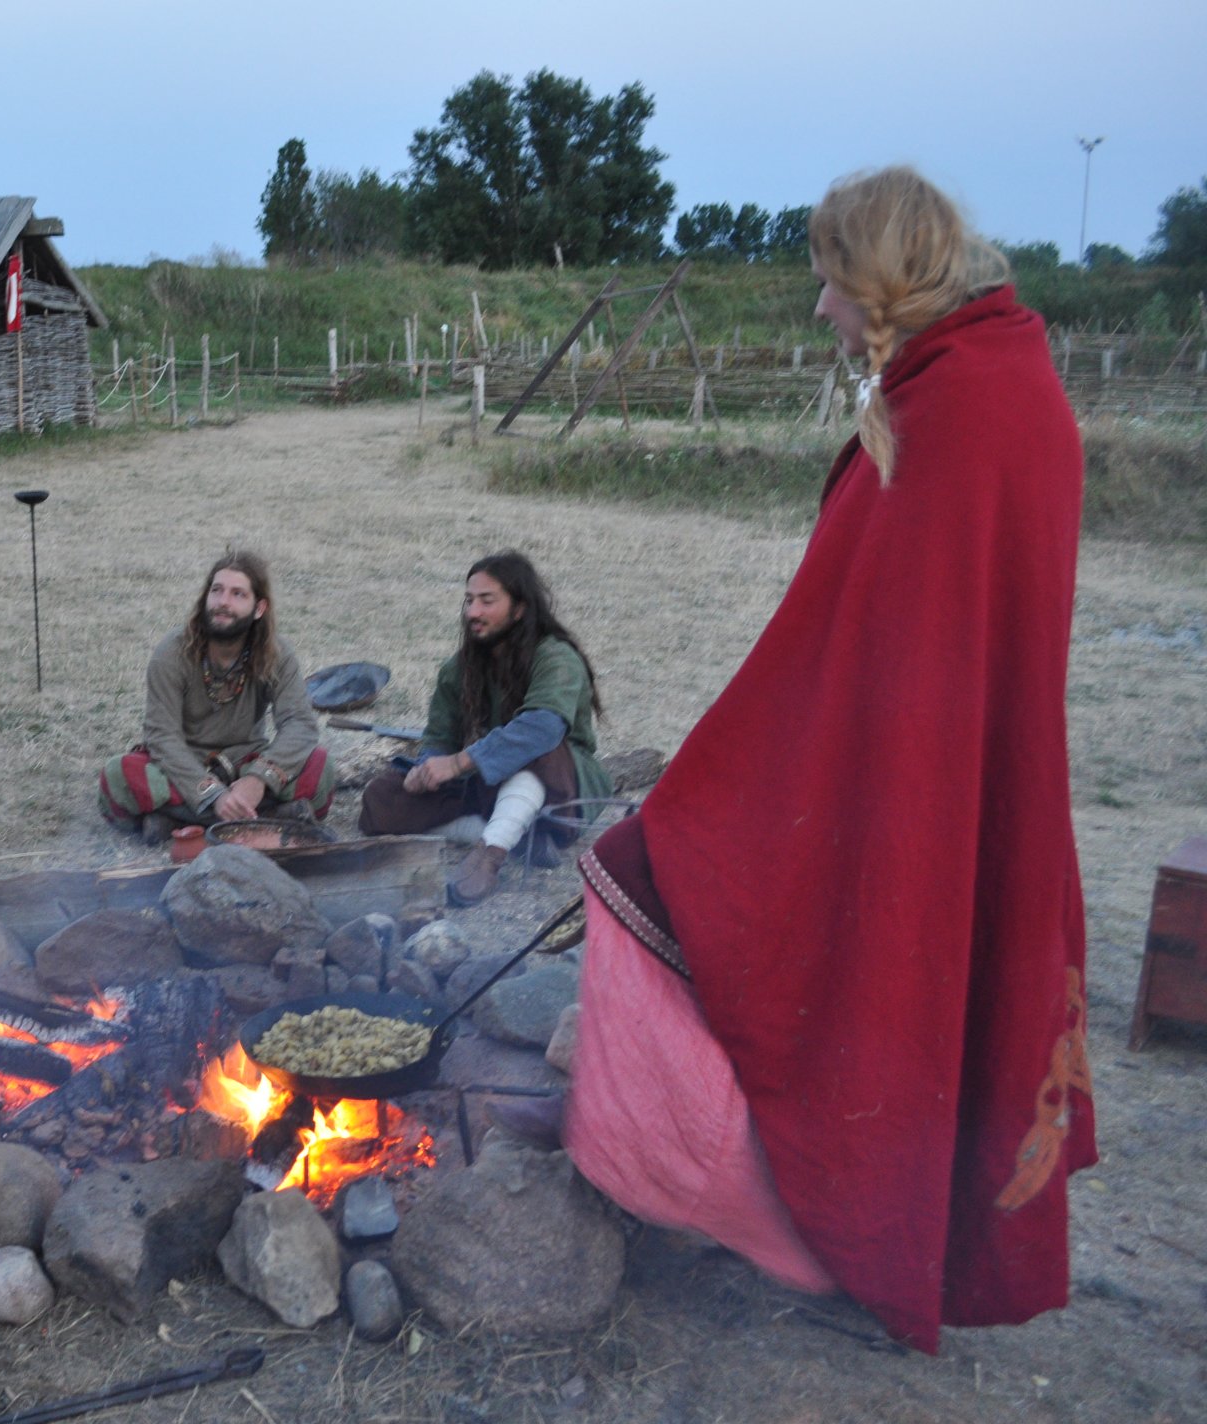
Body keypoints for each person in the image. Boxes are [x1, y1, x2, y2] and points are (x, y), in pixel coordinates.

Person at [557, 167, 1095, 1354]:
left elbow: (839, 655)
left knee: (680, 887)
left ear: (878, 282)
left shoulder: (952, 410)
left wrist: (698, 801)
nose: (816, 311)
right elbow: (866, 634)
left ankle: (816, 1229)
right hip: (940, 770)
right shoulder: (1003, 379)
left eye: (824, 284)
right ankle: (876, 1236)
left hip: (909, 785)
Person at [358, 552, 609, 906]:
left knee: (536, 746)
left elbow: (541, 728)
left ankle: (491, 852)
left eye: (486, 601)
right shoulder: (459, 668)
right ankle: (516, 835)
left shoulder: (556, 657)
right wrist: (429, 768)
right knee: (380, 800)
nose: (472, 612)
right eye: (469, 600)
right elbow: (440, 736)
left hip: (560, 790)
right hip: (489, 785)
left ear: (519, 608)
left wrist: (458, 764)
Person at [98, 550, 334, 837]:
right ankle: (264, 816)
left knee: (320, 770)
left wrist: (260, 778)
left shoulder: (277, 654)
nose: (223, 602)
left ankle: (177, 820)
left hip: (247, 763)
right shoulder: (172, 653)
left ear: (259, 608)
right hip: (186, 766)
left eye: (238, 594)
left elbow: (300, 724)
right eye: (217, 590)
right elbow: (162, 736)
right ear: (205, 598)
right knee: (118, 776)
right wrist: (212, 794)